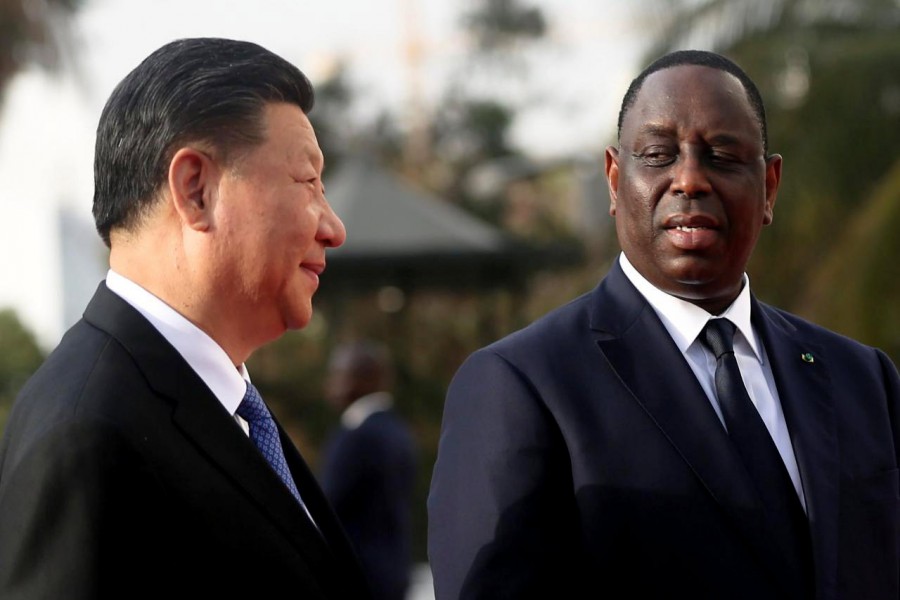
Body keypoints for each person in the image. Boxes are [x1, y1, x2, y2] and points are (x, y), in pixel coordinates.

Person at [427, 49, 900, 600]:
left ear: (769, 187)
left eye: (722, 156)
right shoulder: (521, 385)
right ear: (612, 179)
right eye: (657, 155)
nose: (690, 180)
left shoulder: (863, 379)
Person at [0, 38, 372, 599]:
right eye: (308, 182)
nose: (333, 227)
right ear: (195, 189)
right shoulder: (86, 435)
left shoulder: (216, 407)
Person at [319, 340, 418, 600]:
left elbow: (326, 508)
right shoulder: (399, 432)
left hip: (359, 578)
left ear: (360, 379)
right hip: (395, 572)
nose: (331, 383)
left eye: (338, 373)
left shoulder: (358, 436)